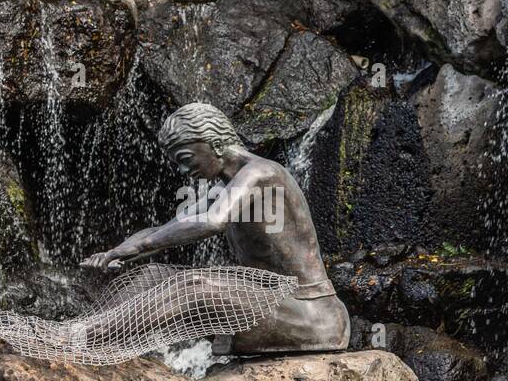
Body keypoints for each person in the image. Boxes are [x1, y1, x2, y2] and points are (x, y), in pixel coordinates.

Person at [81, 102, 350, 354]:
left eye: (186, 158)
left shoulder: (263, 173)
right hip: (268, 301)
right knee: (152, 274)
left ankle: (91, 338)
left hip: (312, 313)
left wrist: (143, 245)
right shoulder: (225, 187)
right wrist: (117, 252)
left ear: (217, 144)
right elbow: (165, 228)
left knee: (195, 285)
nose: (183, 170)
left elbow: (213, 221)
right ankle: (91, 328)